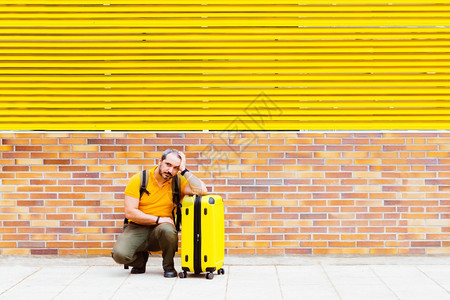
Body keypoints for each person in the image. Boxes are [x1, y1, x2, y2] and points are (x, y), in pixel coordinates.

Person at [111, 149, 208, 278]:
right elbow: (130, 212)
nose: (170, 171)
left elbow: (201, 190)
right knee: (119, 255)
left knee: (168, 230)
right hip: (137, 227)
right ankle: (140, 261)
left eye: (176, 168)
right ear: (160, 161)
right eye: (168, 164)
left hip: (162, 229)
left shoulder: (177, 181)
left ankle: (168, 266)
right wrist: (158, 219)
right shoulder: (139, 179)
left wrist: (184, 170)